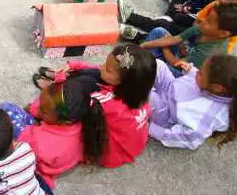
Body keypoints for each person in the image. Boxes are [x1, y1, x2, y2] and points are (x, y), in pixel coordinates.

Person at [17, 45, 156, 190]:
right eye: (105, 63)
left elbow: (68, 106)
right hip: (133, 143)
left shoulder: (101, 102)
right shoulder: (138, 94)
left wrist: (43, 101)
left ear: (125, 82)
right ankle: (61, 80)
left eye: (107, 69)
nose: (102, 67)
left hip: (112, 152)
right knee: (90, 77)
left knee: (65, 101)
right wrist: (74, 65)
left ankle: (55, 83)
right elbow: (98, 71)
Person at [149, 55, 237, 149]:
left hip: (167, 113)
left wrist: (150, 128)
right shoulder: (211, 85)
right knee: (157, 64)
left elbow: (189, 139)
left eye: (200, 73)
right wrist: (190, 70)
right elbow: (200, 77)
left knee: (145, 94)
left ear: (217, 88)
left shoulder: (210, 115)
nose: (197, 72)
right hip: (171, 88)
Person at [140, 3, 237, 77]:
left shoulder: (209, 53)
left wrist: (164, 49)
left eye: (209, 21)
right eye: (207, 18)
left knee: (158, 65)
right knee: (159, 31)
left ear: (223, 33)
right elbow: (175, 39)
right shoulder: (202, 28)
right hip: (182, 55)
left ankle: (143, 69)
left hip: (182, 73)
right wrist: (145, 45)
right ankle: (144, 60)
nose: (203, 21)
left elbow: (177, 64)